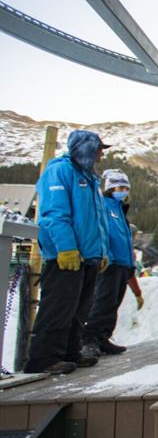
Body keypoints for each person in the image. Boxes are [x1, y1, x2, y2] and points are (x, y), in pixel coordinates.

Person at [25, 129, 110, 374]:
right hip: (66, 257)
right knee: (58, 307)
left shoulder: (89, 178)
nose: (101, 154)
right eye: (98, 148)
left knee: (78, 309)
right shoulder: (59, 172)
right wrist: (66, 248)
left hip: (87, 257)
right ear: (84, 148)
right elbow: (54, 214)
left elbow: (97, 220)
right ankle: (43, 358)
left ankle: (70, 352)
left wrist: (101, 251)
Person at [81, 169, 142, 357]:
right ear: (109, 188)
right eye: (119, 187)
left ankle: (103, 337)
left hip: (123, 264)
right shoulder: (104, 205)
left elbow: (124, 240)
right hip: (110, 263)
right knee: (102, 302)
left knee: (114, 303)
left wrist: (131, 266)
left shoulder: (120, 210)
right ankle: (89, 339)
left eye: (125, 188)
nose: (122, 191)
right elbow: (102, 233)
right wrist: (105, 255)